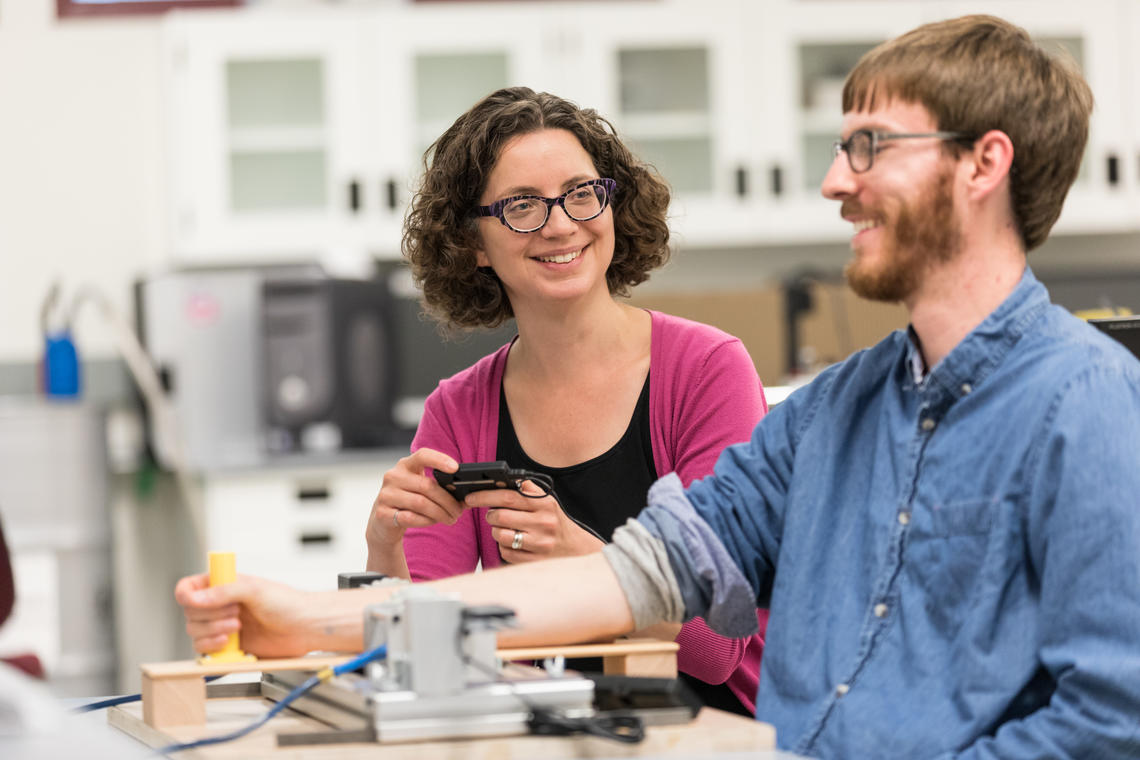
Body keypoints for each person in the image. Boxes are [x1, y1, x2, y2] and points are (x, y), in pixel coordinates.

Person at [175, 16, 1140, 759]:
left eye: (869, 148)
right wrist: (316, 618)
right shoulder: (833, 413)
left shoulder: (1086, 405)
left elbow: (1108, 722)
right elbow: (630, 577)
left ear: (984, 163)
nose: (835, 184)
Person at [359, 87, 768, 715]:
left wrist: (576, 553)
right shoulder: (459, 410)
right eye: (522, 205)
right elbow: (416, 651)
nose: (560, 224)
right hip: (545, 729)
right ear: (472, 243)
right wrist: (385, 547)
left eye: (581, 192)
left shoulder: (706, 371)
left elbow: (718, 645)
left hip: (711, 732)